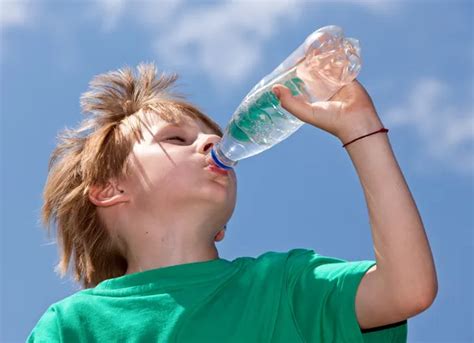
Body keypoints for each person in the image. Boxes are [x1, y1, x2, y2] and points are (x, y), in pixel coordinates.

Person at [27, 62, 437, 342]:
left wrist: (361, 131)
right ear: (109, 190)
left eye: (211, 136)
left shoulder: (283, 284)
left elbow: (407, 289)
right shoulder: (73, 324)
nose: (212, 141)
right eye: (176, 138)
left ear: (222, 227)